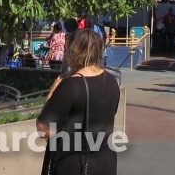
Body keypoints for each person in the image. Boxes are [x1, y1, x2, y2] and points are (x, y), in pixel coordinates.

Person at [36, 28, 120, 175]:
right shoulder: (111, 81)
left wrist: (52, 92)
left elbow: (44, 130)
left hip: (75, 166)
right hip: (106, 163)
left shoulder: (70, 86)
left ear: (74, 52)